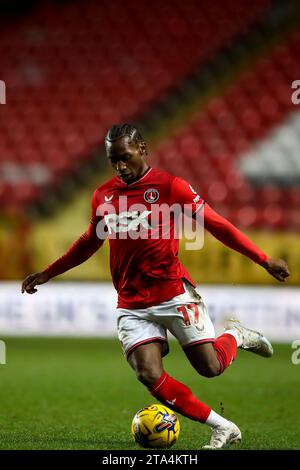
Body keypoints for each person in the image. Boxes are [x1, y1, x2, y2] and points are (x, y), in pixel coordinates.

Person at [22, 123, 290, 449]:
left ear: (143, 149)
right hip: (131, 304)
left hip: (172, 294)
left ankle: (235, 335)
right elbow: (89, 242)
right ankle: (223, 427)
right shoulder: (103, 195)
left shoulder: (170, 187)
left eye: (125, 157)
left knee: (210, 367)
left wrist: (263, 259)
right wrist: (48, 273)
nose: (120, 167)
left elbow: (216, 224)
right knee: (148, 374)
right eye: (113, 161)